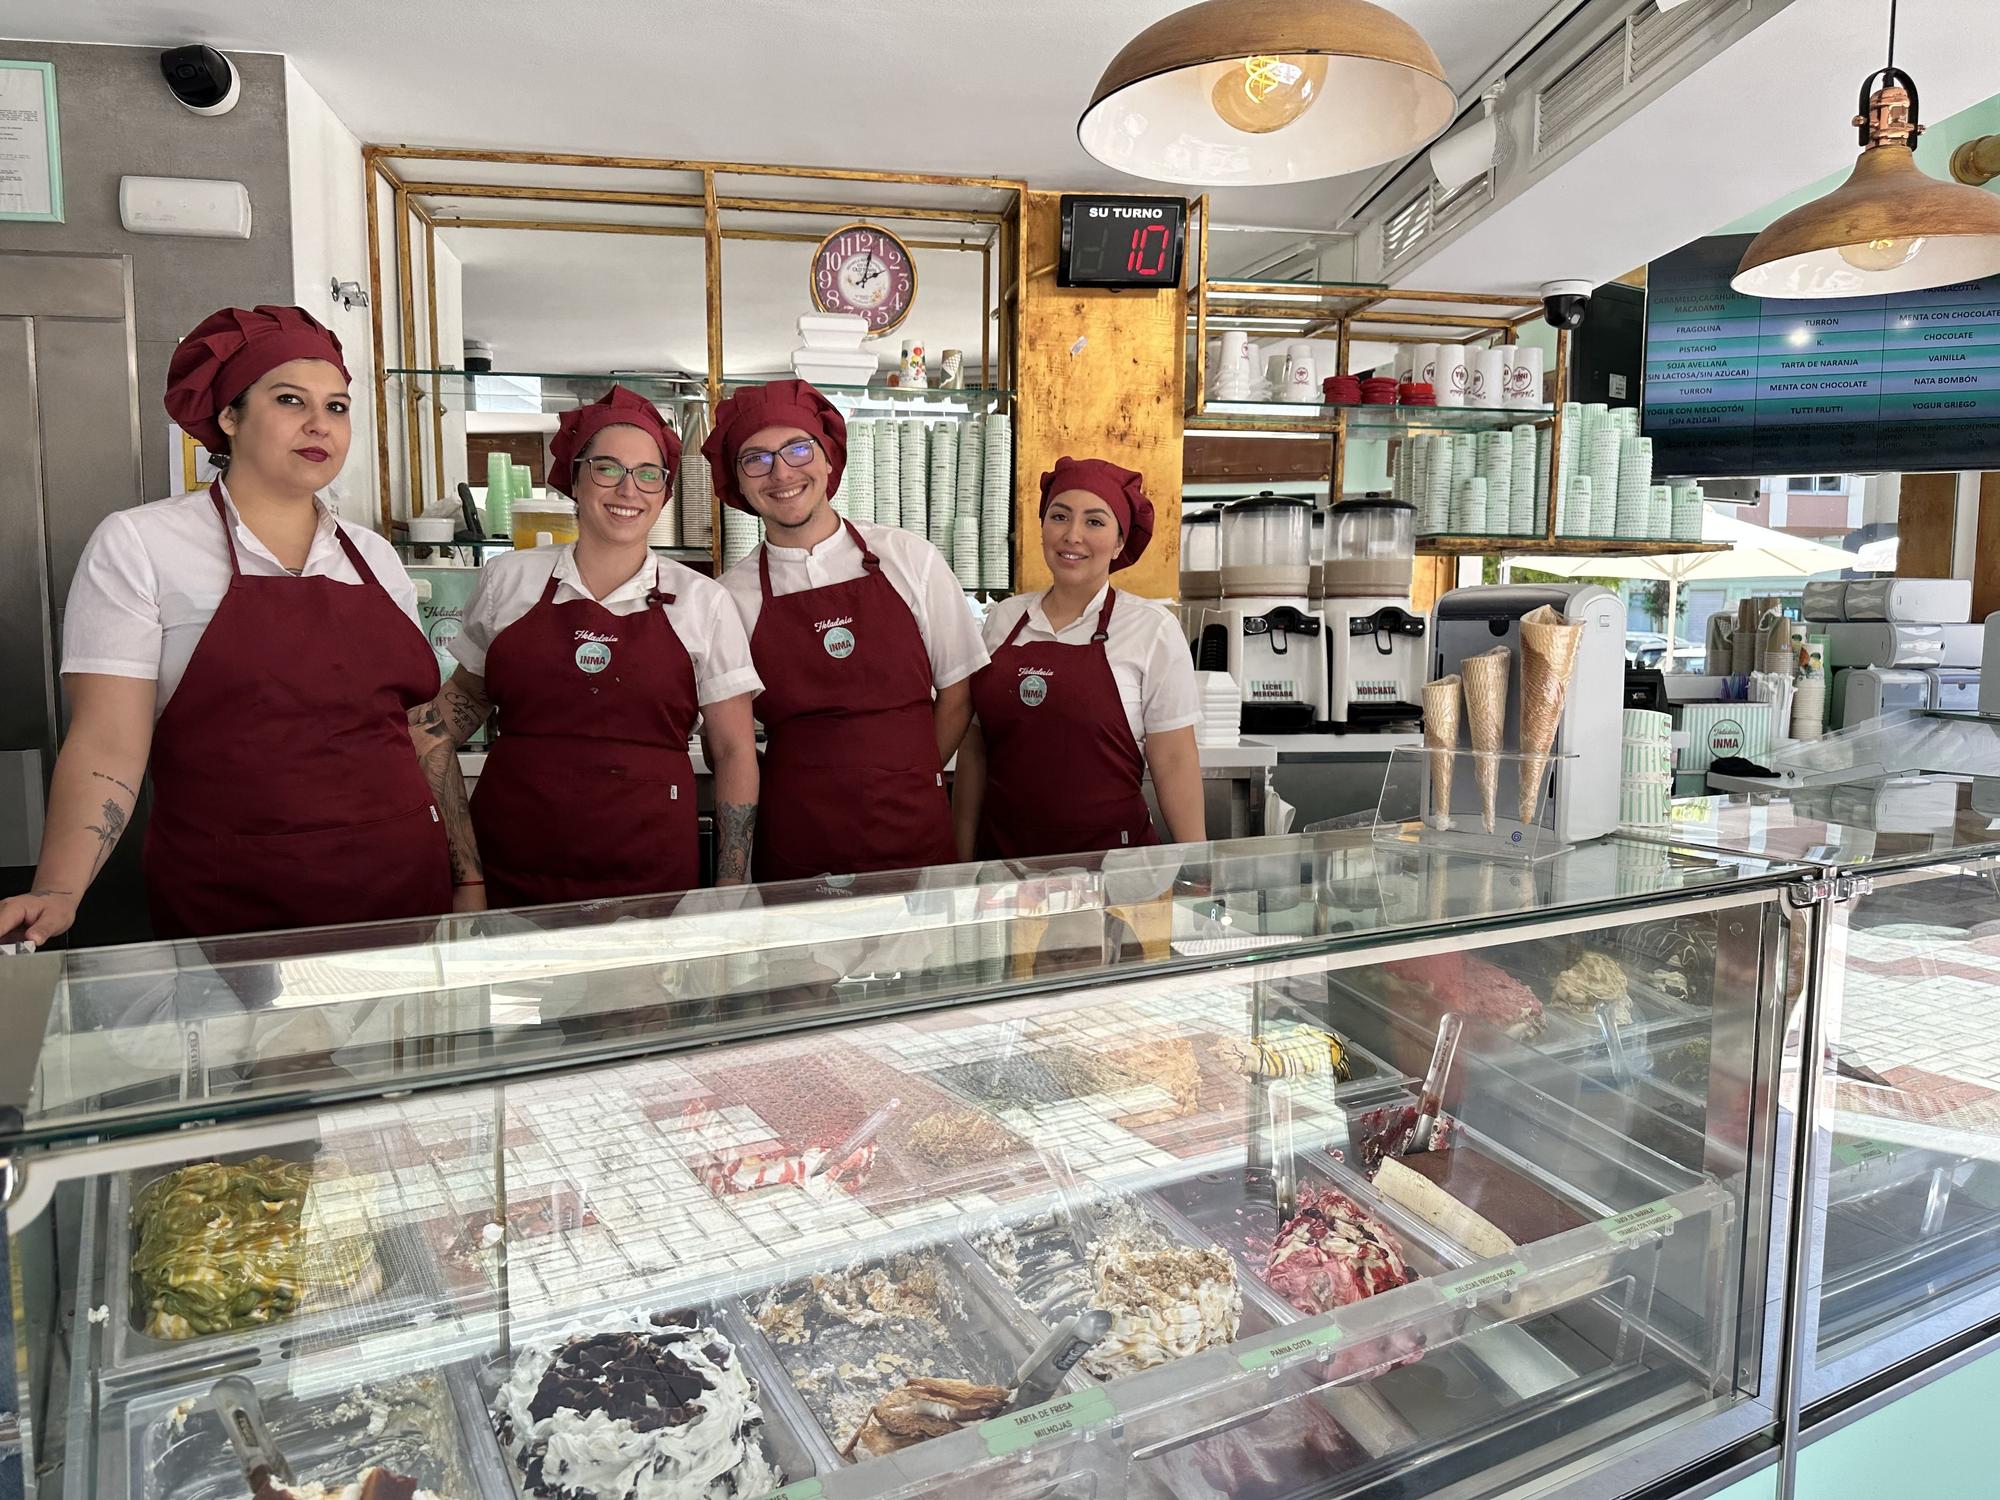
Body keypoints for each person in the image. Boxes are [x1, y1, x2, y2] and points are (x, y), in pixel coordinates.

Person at [0, 305, 452, 947]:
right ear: (228, 417)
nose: (319, 424)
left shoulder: (373, 556)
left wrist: (467, 873)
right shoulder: (141, 544)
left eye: (338, 406)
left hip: (401, 883)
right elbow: (107, 744)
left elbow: (418, 732)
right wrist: (58, 888)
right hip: (234, 898)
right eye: (290, 400)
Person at [410, 386, 761, 906]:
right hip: (512, 869)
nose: (628, 489)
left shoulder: (703, 602)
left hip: (652, 876)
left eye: (648, 474)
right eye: (606, 468)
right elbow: (436, 730)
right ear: (574, 479)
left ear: (664, 493)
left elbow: (733, 750)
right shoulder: (508, 580)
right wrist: (467, 874)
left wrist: (732, 886)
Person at [708, 379, 988, 882]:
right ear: (740, 484)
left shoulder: (910, 558)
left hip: (914, 831)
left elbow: (959, 692)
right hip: (798, 838)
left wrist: (906, 772)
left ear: (829, 457)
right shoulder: (731, 597)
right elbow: (726, 743)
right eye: (756, 459)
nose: (781, 473)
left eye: (797, 448)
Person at [954, 456, 1205, 860]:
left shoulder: (1151, 628)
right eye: (1059, 516)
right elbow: (976, 748)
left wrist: (1198, 867)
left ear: (1121, 542)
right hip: (1004, 870)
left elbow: (1174, 758)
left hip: (1113, 878)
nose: (1072, 535)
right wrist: (961, 861)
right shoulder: (1003, 619)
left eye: (1094, 521)